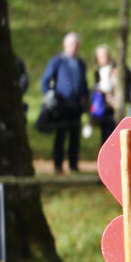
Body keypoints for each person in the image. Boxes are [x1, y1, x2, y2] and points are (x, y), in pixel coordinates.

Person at [40, 32, 90, 174]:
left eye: (76, 45)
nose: (74, 47)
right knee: (60, 136)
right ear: (65, 45)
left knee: (75, 137)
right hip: (61, 106)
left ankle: (74, 165)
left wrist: (84, 97)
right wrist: (51, 96)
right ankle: (58, 166)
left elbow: (84, 83)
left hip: (76, 107)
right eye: (71, 44)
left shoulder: (80, 63)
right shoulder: (58, 61)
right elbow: (45, 81)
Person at [90, 44, 119, 145]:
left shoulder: (115, 69)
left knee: (113, 133)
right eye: (100, 57)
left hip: (113, 106)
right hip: (102, 106)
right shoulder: (97, 72)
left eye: (104, 56)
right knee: (104, 135)